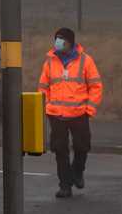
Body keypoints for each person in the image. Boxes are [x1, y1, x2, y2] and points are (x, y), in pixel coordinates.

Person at [38, 27, 102, 199]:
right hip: (56, 114)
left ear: (71, 42)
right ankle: (65, 185)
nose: (58, 42)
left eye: (62, 39)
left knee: (82, 146)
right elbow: (43, 88)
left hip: (80, 113)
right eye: (56, 39)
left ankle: (78, 171)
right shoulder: (50, 62)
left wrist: (90, 109)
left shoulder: (85, 61)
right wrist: (47, 107)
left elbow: (96, 86)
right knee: (60, 150)